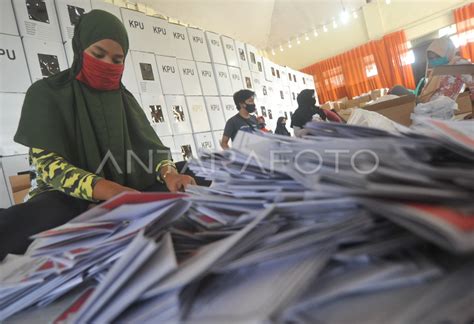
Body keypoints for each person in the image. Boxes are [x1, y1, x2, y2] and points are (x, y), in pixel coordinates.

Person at [0, 10, 196, 258]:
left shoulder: (124, 99)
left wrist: (169, 174)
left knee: (193, 174)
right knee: (37, 220)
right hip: (67, 196)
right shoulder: (47, 93)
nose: (107, 65)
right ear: (80, 48)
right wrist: (110, 191)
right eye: (98, 54)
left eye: (117, 60)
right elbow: (50, 167)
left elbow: (151, 150)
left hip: (127, 188)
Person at [418, 36, 473, 103]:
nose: (434, 60)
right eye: (431, 58)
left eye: (437, 56)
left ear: (447, 52)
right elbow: (428, 91)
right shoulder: (436, 69)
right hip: (432, 108)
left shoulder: (458, 64)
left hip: (448, 108)